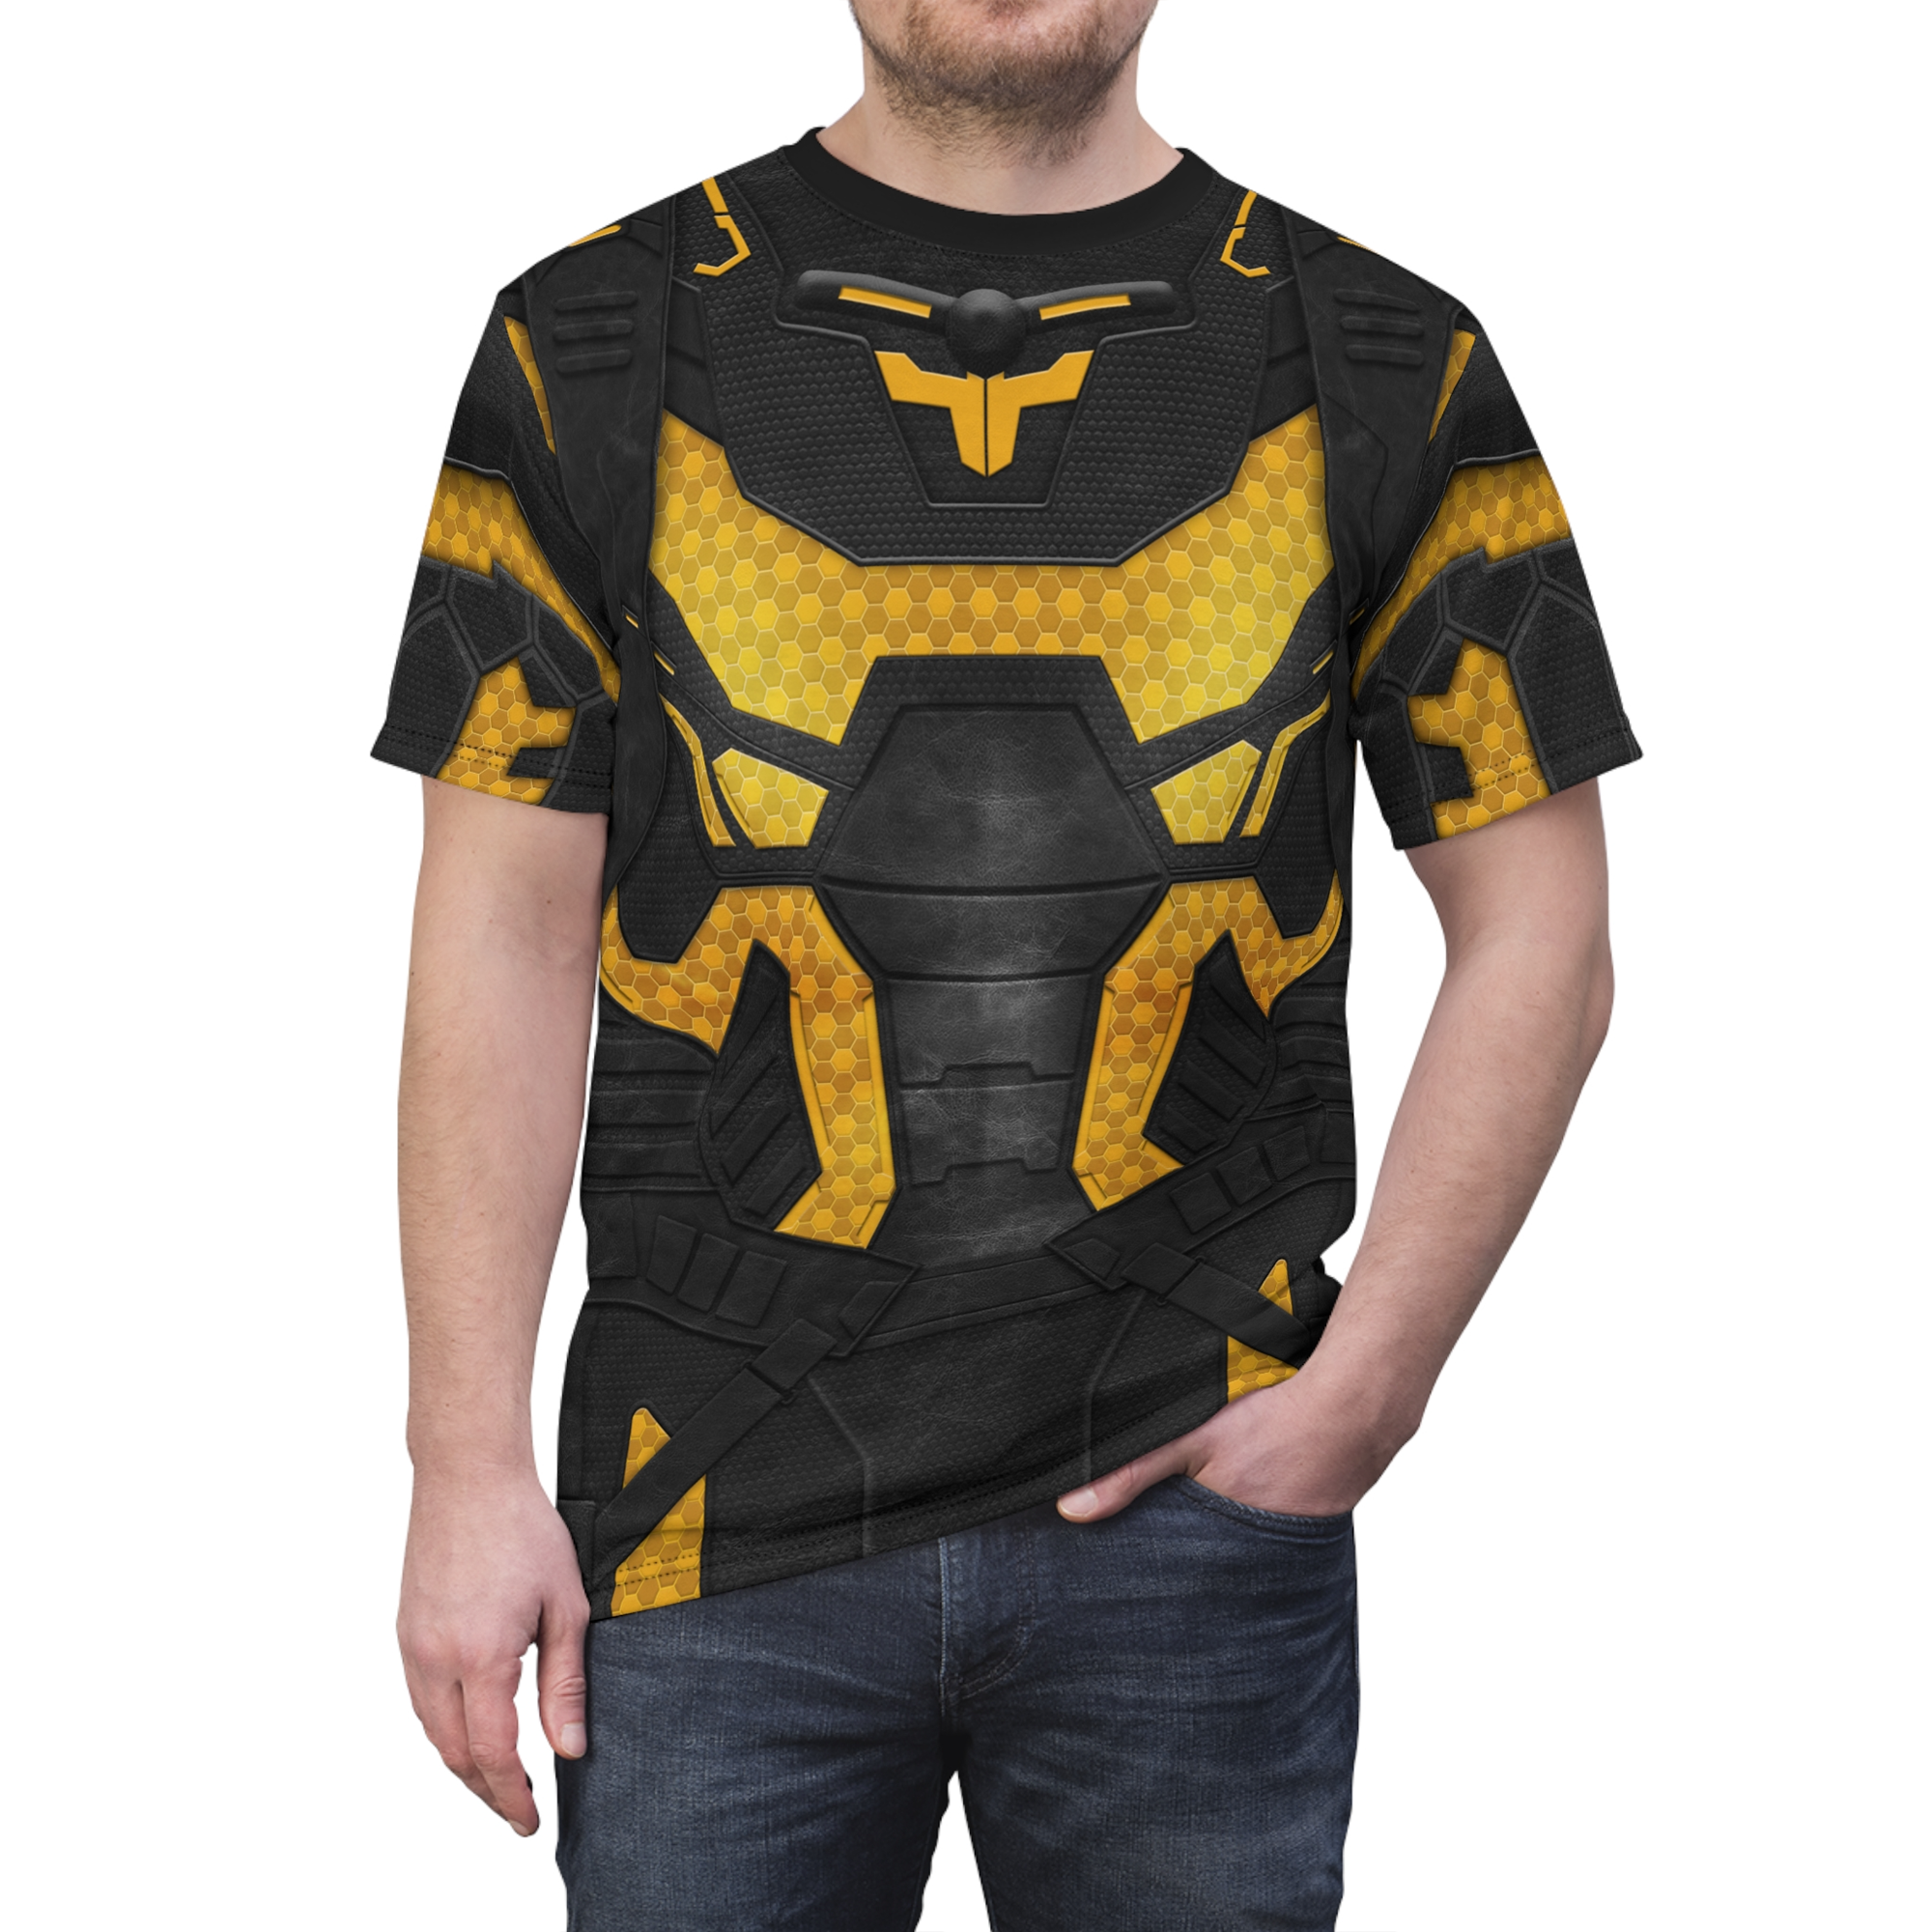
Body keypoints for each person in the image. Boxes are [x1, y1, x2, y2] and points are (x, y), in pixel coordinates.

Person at [378, 3, 1637, 1925]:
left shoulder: (1387, 352)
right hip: (707, 1526)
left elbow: (1542, 921)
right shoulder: (591, 339)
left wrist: (1372, 1383)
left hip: (1193, 1521)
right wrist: (460, 1462)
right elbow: (504, 927)